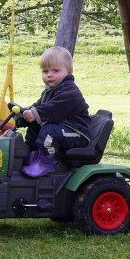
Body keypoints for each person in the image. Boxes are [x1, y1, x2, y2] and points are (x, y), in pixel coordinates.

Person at [19, 46, 91, 177]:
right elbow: (38, 106)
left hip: (77, 132)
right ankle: (31, 154)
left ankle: (46, 162)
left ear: (69, 72)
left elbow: (53, 109)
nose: (49, 75)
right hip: (63, 128)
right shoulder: (49, 91)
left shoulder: (70, 92)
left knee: (49, 131)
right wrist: (24, 114)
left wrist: (35, 113)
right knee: (35, 126)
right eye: (45, 71)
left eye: (56, 70)